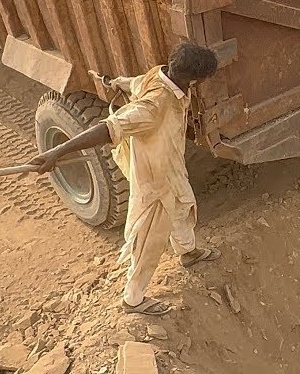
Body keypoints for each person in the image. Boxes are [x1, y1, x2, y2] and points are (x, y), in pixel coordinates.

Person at [29, 42, 222, 316]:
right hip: (155, 180)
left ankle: (188, 252)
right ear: (193, 78)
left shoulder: (162, 74)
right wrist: (57, 152)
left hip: (171, 168)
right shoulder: (155, 106)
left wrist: (114, 82)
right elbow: (109, 128)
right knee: (149, 239)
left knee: (182, 207)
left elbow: (135, 83)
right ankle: (133, 299)